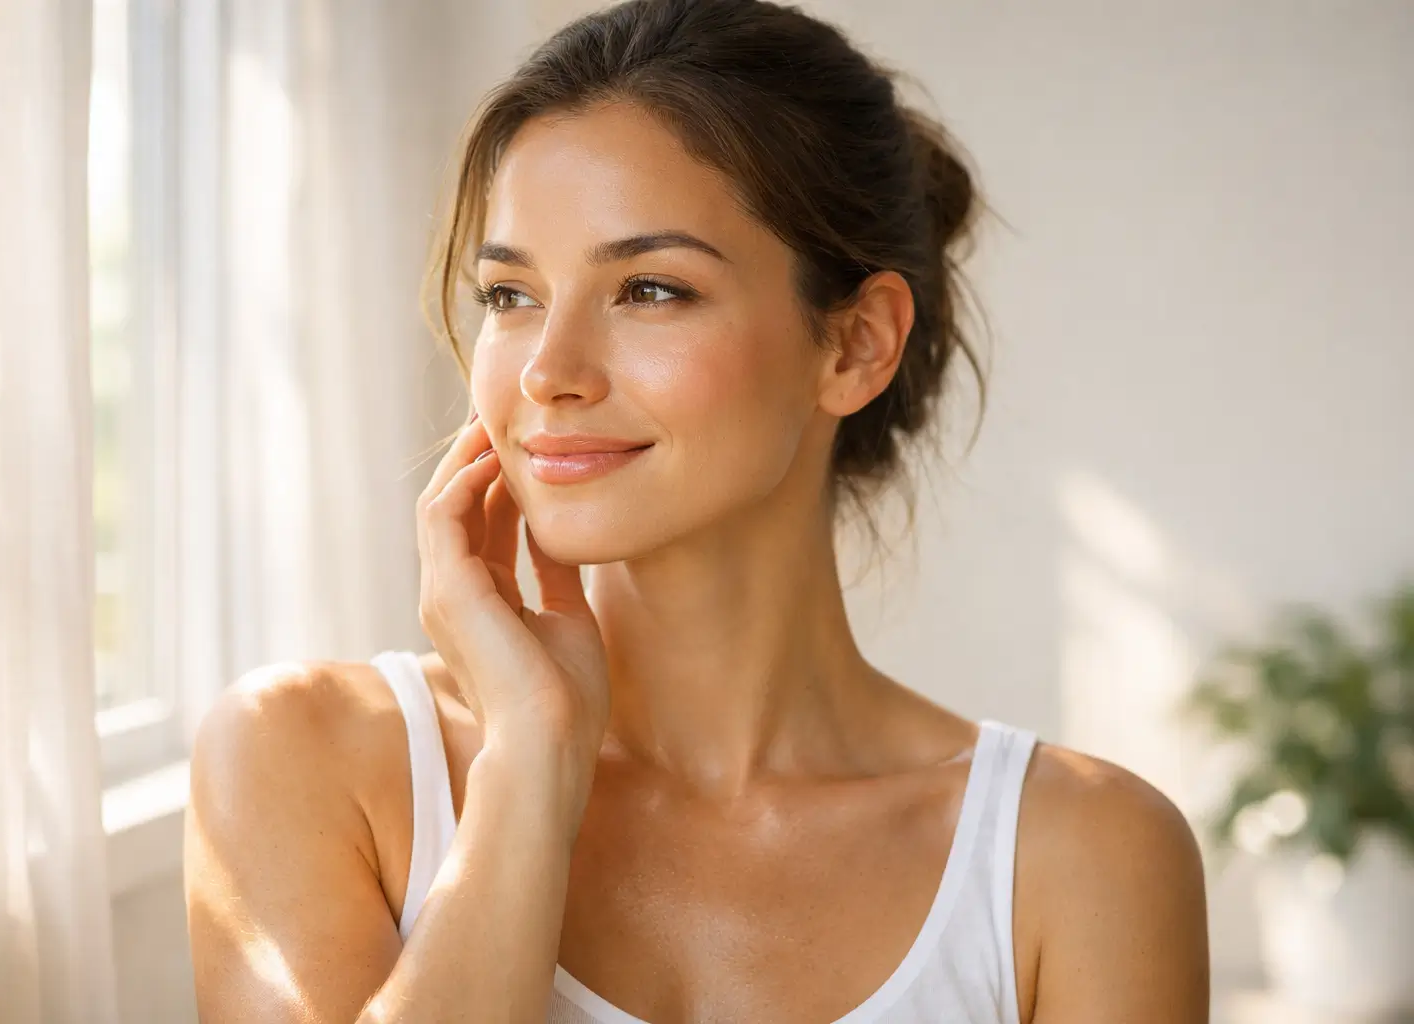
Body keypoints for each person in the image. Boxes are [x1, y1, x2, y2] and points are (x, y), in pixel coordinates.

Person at [184, 0, 1210, 1020]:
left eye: (651, 290)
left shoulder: (1080, 857)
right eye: (511, 295)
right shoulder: (301, 756)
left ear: (854, 345)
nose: (548, 371)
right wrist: (532, 762)